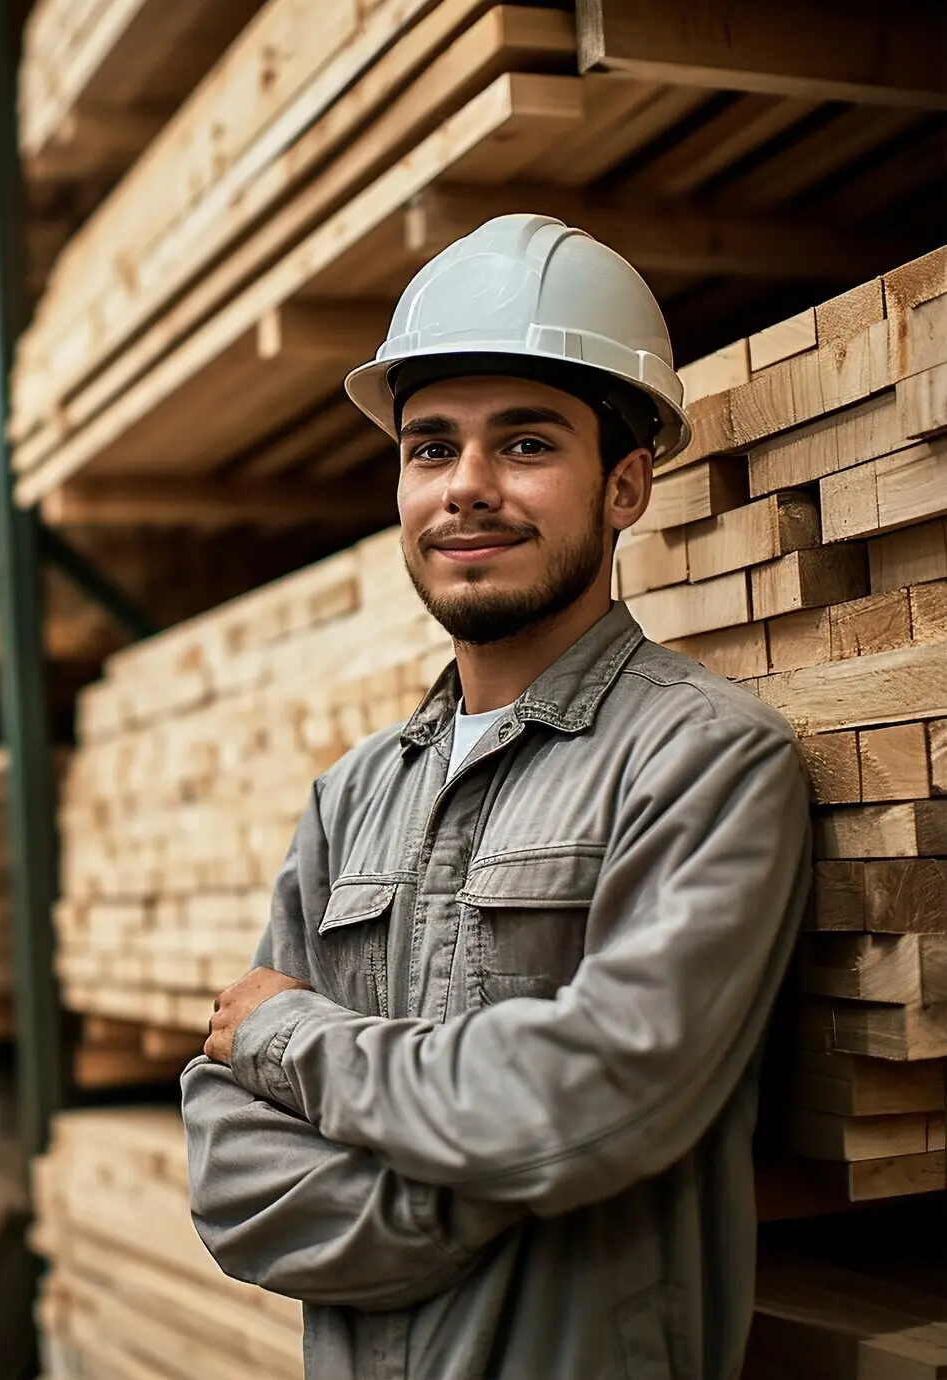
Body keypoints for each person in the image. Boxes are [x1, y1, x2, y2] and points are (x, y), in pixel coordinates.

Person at [180, 214, 812, 1379]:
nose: (466, 489)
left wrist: (291, 1036)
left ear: (625, 485)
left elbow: (599, 1098)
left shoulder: (707, 762)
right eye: (430, 448)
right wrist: (488, 1178)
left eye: (525, 444)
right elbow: (230, 1180)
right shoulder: (351, 798)